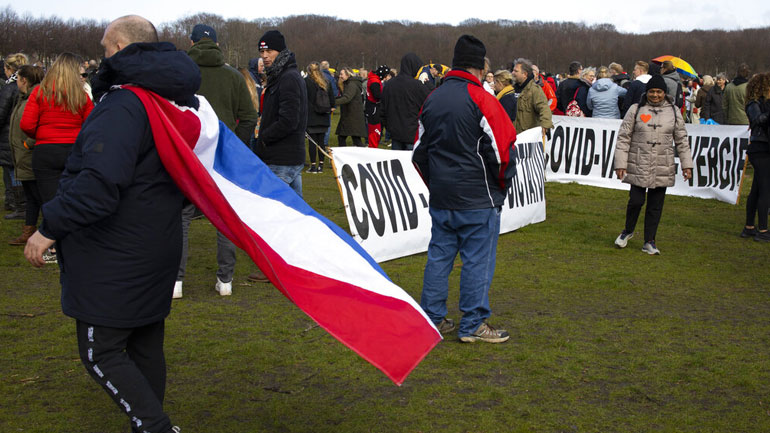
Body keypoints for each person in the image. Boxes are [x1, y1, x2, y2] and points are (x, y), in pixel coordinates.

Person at [24, 15, 199, 433]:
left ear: (120, 47)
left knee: (100, 351)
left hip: (117, 253)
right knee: (143, 343)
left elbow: (100, 185)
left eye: (105, 49)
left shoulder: (124, 105)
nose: (101, 57)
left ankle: (155, 427)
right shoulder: (169, 100)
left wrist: (49, 227)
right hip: (154, 244)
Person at [412, 35, 516, 343]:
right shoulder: (483, 99)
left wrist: (436, 184)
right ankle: (473, 323)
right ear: (480, 68)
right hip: (477, 198)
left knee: (439, 256)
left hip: (443, 196)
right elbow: (503, 152)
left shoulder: (432, 99)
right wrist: (499, 187)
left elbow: (419, 153)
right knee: (477, 261)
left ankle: (432, 317)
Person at [175, 23, 260, 299]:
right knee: (224, 217)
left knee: (181, 218)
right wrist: (234, 144)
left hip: (187, 153)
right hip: (221, 155)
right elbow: (249, 116)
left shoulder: (179, 74)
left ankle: (176, 281)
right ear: (218, 45)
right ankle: (226, 280)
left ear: (191, 43)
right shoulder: (233, 76)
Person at [248, 29, 307, 284]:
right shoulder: (281, 76)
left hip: (282, 157)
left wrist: (263, 137)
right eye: (262, 51)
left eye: (269, 51)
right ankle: (302, 259)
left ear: (280, 51)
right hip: (284, 156)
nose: (264, 56)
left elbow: (289, 120)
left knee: (273, 215)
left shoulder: (288, 78)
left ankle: (272, 266)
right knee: (296, 213)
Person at [613, 74, 693, 255]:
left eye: (659, 92)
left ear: (664, 93)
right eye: (652, 91)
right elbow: (623, 138)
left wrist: (687, 165)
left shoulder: (674, 111)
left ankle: (649, 241)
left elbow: (682, 140)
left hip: (662, 165)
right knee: (636, 201)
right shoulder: (636, 109)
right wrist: (620, 164)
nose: (655, 95)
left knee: (655, 206)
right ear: (646, 92)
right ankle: (628, 230)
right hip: (638, 163)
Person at [20, 52, 94, 207]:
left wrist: (42, 135)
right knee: (74, 200)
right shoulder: (82, 96)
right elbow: (91, 126)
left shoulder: (40, 92)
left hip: (46, 151)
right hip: (74, 150)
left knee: (50, 202)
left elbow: (27, 124)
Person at [8, 65, 44, 246]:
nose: (16, 82)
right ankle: (28, 231)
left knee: (39, 196)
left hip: (30, 155)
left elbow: (41, 123)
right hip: (22, 155)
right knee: (31, 197)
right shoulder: (24, 98)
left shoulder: (36, 97)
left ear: (24, 80)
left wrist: (27, 144)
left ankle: (48, 235)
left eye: (18, 79)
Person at [380, 52, 431, 151]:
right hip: (411, 134)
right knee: (410, 160)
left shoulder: (389, 85)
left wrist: (390, 128)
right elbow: (429, 105)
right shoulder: (417, 86)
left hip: (396, 133)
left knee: (397, 160)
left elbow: (382, 111)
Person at [741, 73, 770, 242]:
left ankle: (749, 227)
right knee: (765, 189)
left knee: (757, 189)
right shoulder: (754, 104)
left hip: (762, 147)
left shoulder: (759, 103)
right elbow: (758, 120)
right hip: (760, 149)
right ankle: (763, 230)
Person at [1, 53, 28, 220]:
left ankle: (19, 204)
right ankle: (16, 202)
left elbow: (1, 112)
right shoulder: (26, 86)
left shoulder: (9, 88)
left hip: (9, 133)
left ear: (9, 69)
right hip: (21, 132)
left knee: (12, 170)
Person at [305, 61, 335, 173]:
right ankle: (321, 165)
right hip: (323, 115)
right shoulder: (326, 81)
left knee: (312, 142)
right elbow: (332, 98)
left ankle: (313, 165)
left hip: (311, 115)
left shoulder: (306, 82)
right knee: (321, 141)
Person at [511, 58, 553, 133]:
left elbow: (543, 108)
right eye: (513, 70)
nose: (512, 73)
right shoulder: (511, 89)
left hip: (527, 135)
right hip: (512, 134)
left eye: (516, 71)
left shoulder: (534, 90)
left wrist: (545, 124)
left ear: (525, 74)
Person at [335, 66, 366, 147]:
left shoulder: (351, 85)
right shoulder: (350, 83)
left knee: (344, 138)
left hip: (352, 116)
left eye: (341, 74)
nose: (340, 76)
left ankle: (343, 154)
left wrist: (333, 102)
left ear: (348, 75)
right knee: (355, 139)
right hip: (351, 115)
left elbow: (347, 98)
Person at [364, 64, 389, 148]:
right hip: (373, 108)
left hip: (372, 107)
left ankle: (373, 145)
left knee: (374, 129)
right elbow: (377, 95)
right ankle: (373, 147)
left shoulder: (373, 79)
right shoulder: (374, 82)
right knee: (375, 130)